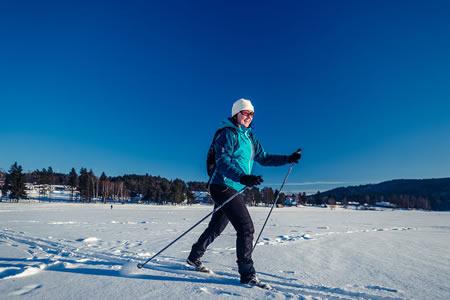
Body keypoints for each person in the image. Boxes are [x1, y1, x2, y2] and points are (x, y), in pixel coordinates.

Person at [187, 98, 301, 287]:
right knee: (246, 227)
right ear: (236, 114)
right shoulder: (227, 134)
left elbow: (264, 158)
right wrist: (242, 177)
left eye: (251, 114)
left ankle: (194, 256)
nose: (249, 117)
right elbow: (222, 162)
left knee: (216, 227)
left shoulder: (250, 137)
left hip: (235, 187)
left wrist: (288, 158)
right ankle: (247, 274)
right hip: (221, 185)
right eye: (245, 113)